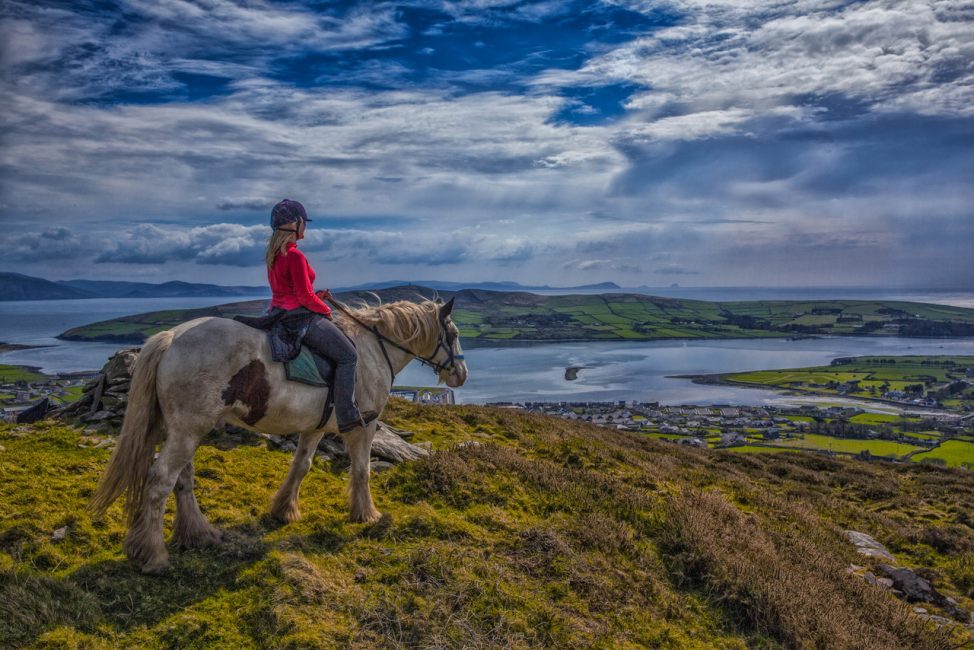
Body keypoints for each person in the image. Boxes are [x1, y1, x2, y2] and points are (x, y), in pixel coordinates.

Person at [265, 198, 377, 433]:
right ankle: (347, 415)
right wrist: (326, 310)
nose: (305, 227)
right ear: (295, 224)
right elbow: (304, 298)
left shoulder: (274, 255)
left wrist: (317, 296)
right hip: (298, 318)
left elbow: (292, 292)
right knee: (348, 356)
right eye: (304, 222)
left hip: (278, 313)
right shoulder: (295, 256)